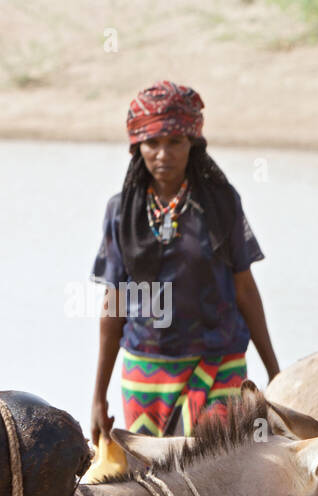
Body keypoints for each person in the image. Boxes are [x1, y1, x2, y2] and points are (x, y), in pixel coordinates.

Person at [90, 80, 278, 443]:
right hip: (146, 372)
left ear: (193, 144)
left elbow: (245, 290)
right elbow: (113, 305)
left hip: (219, 364)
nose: (163, 154)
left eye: (175, 142)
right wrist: (98, 395)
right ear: (137, 147)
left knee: (220, 476)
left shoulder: (221, 204)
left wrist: (276, 374)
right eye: (152, 143)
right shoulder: (121, 212)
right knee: (151, 483)